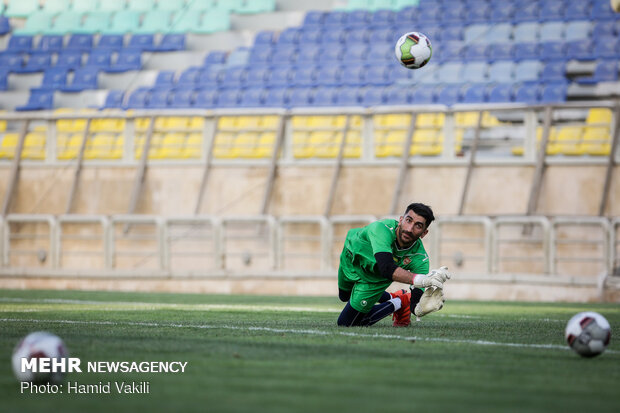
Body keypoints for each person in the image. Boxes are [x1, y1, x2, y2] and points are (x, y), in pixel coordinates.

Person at [336, 202, 450, 327]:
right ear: (401, 220)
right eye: (408, 220)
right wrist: (423, 280)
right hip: (350, 259)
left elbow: (415, 299)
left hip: (375, 279)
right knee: (344, 296)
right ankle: (393, 296)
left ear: (424, 233)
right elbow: (387, 267)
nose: (409, 229)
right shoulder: (381, 229)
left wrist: (418, 309)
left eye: (418, 225)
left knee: (346, 323)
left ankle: (399, 302)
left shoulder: (420, 259)